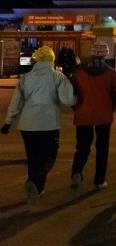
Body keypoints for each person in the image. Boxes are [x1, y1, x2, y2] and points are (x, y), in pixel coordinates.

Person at [1, 46, 74, 204]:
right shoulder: (57, 77)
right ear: (52, 60)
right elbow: (68, 100)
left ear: (37, 60)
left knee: (33, 158)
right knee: (50, 156)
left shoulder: (26, 78)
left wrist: (8, 122)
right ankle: (34, 182)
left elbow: (16, 102)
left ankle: (37, 190)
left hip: (27, 126)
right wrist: (77, 99)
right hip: (49, 125)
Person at [69, 41, 116, 192]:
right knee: (102, 149)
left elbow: (71, 95)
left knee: (82, 147)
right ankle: (99, 180)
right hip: (103, 117)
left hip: (83, 115)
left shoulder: (79, 74)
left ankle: (77, 171)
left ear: (91, 55)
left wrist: (77, 109)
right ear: (106, 55)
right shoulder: (111, 74)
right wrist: (110, 109)